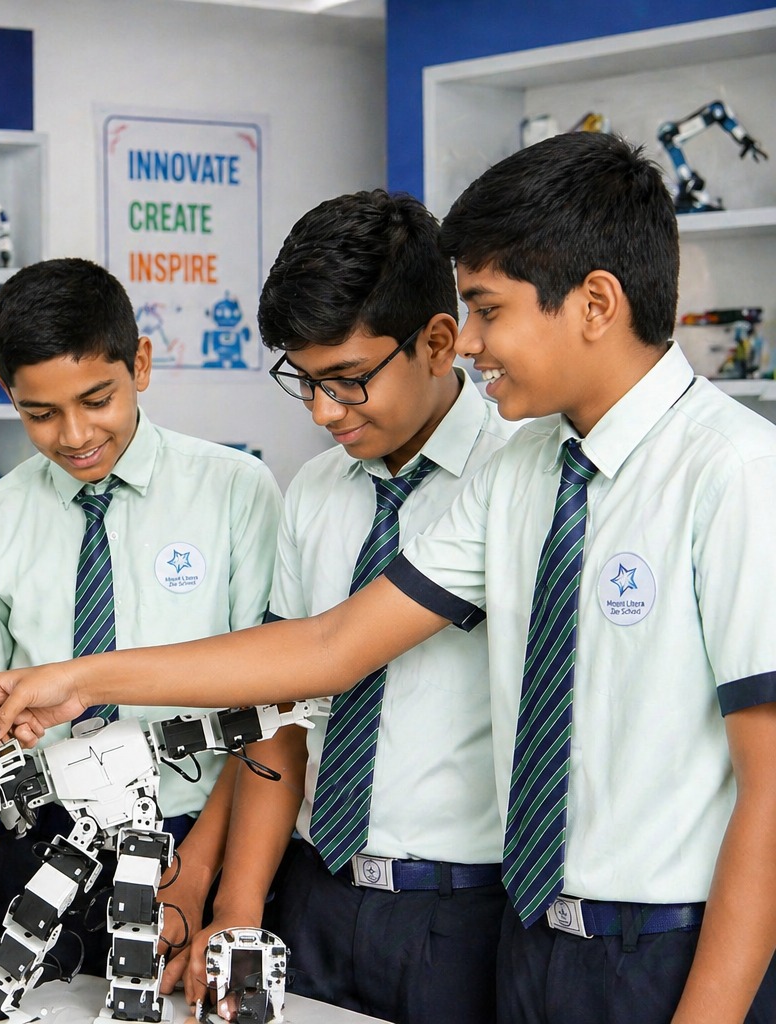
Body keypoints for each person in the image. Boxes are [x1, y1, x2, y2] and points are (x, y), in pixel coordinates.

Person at [0, 132, 776, 1024]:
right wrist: (81, 679)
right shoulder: (524, 472)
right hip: (528, 939)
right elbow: (329, 648)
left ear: (595, 303)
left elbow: (768, 791)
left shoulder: (738, 474)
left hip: (661, 938)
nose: (473, 342)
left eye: (488, 311)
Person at [0, 257, 283, 1000]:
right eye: (40, 413)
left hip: (191, 841)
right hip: (36, 849)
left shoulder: (235, 492)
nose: (74, 434)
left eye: (96, 399)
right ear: (8, 394)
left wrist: (199, 879)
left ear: (139, 364)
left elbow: (266, 713)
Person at [184, 190, 516, 1024]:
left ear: (438, 342)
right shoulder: (317, 489)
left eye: (348, 380)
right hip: (313, 892)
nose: (324, 411)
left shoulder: (520, 477)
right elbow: (282, 709)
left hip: (462, 910)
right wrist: (240, 905)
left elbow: (335, 648)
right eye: (304, 381)